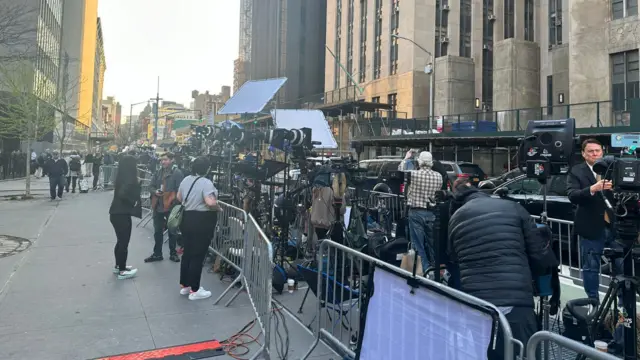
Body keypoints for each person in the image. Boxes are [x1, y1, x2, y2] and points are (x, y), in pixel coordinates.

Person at [448, 178, 557, 359]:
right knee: (524, 353)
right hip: (516, 300)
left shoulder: (456, 217)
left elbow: (453, 258)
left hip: (478, 303)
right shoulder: (513, 207)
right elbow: (539, 255)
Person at [567, 138, 622, 302]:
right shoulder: (576, 171)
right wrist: (592, 189)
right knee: (591, 266)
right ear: (584, 154)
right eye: (590, 151)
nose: (595, 154)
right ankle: (593, 301)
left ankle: (622, 301)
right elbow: (572, 195)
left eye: (597, 151)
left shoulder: (613, 169)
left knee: (621, 264)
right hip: (590, 226)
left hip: (614, 226)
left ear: (602, 152)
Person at [177, 156, 219, 300]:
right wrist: (219, 208)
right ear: (207, 169)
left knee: (187, 253)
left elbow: (179, 197)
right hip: (201, 221)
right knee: (198, 255)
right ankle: (195, 289)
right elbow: (210, 202)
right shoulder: (206, 183)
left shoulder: (185, 179)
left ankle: (185, 285)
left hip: (186, 219)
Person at [405, 151, 442, 272]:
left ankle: (424, 270)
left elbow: (401, 169)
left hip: (416, 212)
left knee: (418, 244)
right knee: (433, 244)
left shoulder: (413, 174)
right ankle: (436, 269)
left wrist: (407, 158)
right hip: (432, 213)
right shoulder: (438, 176)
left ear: (419, 161)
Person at [145, 152, 184, 263]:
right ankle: (157, 253)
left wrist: (174, 202)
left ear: (172, 160)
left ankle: (173, 253)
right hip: (158, 205)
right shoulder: (158, 172)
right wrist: (154, 191)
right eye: (162, 160)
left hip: (171, 206)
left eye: (165, 159)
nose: (163, 162)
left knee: (172, 231)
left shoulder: (177, 173)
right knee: (157, 231)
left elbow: (180, 190)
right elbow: (151, 186)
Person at [109, 155, 142, 279]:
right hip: (122, 214)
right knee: (124, 242)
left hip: (116, 213)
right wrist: (132, 202)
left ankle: (118, 266)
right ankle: (122, 270)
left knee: (120, 241)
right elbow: (124, 193)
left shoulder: (120, 177)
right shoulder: (129, 179)